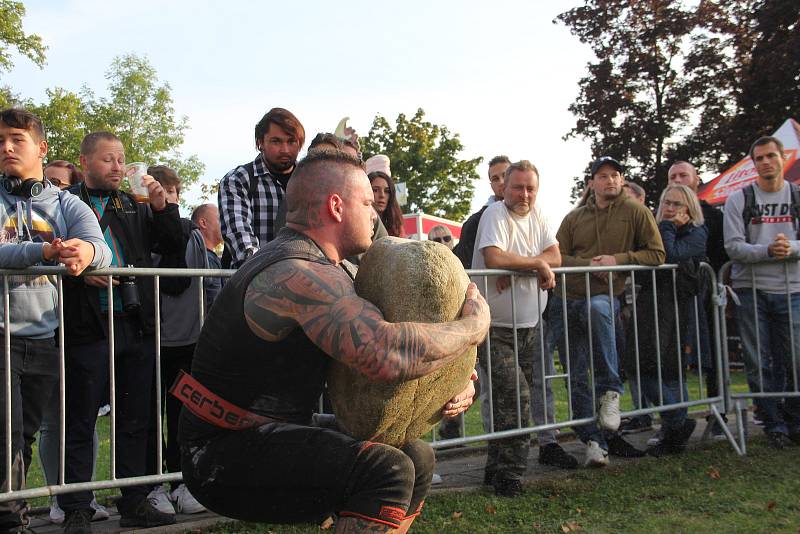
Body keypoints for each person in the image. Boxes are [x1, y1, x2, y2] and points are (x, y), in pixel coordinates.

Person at [177, 150, 490, 533]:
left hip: (274, 430)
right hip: (220, 449)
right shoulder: (297, 273)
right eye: (365, 203)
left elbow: (405, 334)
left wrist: (459, 381)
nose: (374, 214)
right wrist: (473, 327)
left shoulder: (334, 269)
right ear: (336, 206)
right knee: (386, 469)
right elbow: (385, 353)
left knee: (416, 455)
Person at [59, 131, 183, 534]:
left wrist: (164, 208)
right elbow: (54, 252)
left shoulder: (134, 202)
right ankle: (77, 505)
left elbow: (172, 249)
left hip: (135, 322)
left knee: (137, 417)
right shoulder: (64, 202)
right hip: (86, 326)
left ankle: (133, 500)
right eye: (108, 159)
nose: (117, 166)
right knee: (79, 418)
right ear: (85, 161)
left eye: (121, 159)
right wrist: (80, 277)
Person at [0, 109, 112, 534]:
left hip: (44, 335)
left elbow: (100, 249)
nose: (6, 148)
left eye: (16, 139)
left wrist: (85, 252)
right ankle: (11, 521)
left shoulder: (67, 203)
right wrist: (41, 253)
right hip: (2, 333)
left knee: (22, 438)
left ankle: (12, 515)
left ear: (41, 149)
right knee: (5, 435)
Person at [471, 160, 578, 496]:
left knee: (510, 400)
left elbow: (556, 256)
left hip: (529, 325)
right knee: (516, 397)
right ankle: (511, 475)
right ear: (504, 188)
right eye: (518, 187)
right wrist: (535, 264)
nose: (525, 194)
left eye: (530, 187)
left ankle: (495, 467)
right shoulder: (495, 215)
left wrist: (535, 263)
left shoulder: (540, 216)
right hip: (493, 326)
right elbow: (494, 258)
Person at [553, 156, 665, 467]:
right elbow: (556, 256)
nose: (611, 181)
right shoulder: (574, 218)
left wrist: (617, 260)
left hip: (604, 299)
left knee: (599, 307)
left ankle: (611, 393)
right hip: (567, 298)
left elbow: (657, 253)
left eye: (616, 175)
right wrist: (590, 265)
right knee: (575, 374)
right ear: (591, 183)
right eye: (603, 176)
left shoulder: (636, 212)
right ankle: (592, 439)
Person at [145, 168, 219, 516]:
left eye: (168, 196)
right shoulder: (144, 230)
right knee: (145, 417)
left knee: (183, 416)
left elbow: (206, 285)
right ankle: (151, 483)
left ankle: (182, 480)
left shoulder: (192, 236)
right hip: (150, 338)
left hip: (187, 341)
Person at [723, 136, 800, 449]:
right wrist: (768, 251)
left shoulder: (796, 196)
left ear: (783, 158)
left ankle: (794, 419)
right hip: (751, 290)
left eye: (771, 156)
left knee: (795, 357)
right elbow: (732, 246)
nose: (766, 162)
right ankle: (773, 423)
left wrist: (791, 248)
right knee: (758, 361)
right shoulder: (739, 199)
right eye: (759, 158)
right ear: (753, 163)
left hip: (793, 289)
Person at [623, 184, 707, 456]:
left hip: (676, 310)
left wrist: (668, 229)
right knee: (639, 366)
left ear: (689, 209)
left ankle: (675, 429)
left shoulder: (696, 233)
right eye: (666, 203)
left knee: (668, 370)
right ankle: (678, 424)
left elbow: (666, 255)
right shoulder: (654, 228)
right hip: (650, 306)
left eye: (677, 205)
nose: (669, 209)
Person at [667, 160, 730, 437]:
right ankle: (676, 420)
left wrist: (720, 285)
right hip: (673, 297)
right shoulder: (662, 218)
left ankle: (720, 413)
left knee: (715, 353)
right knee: (672, 356)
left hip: (707, 293)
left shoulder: (713, 216)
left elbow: (722, 255)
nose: (678, 179)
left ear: (697, 180)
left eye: (683, 175)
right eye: (673, 176)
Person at [218, 108, 305, 268]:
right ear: (260, 143)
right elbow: (240, 238)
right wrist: (267, 273)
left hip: (306, 278)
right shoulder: (238, 179)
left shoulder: (311, 180)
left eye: (291, 141)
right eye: (276, 141)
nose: (285, 149)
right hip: (254, 281)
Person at [453, 155, 511, 269]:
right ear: (491, 184)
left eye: (505, 175)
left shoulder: (532, 212)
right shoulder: (475, 222)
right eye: (495, 179)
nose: (501, 182)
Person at [366, 155, 405, 237]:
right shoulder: (358, 224)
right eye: (375, 190)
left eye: (387, 191)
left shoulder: (397, 226)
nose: (382, 195)